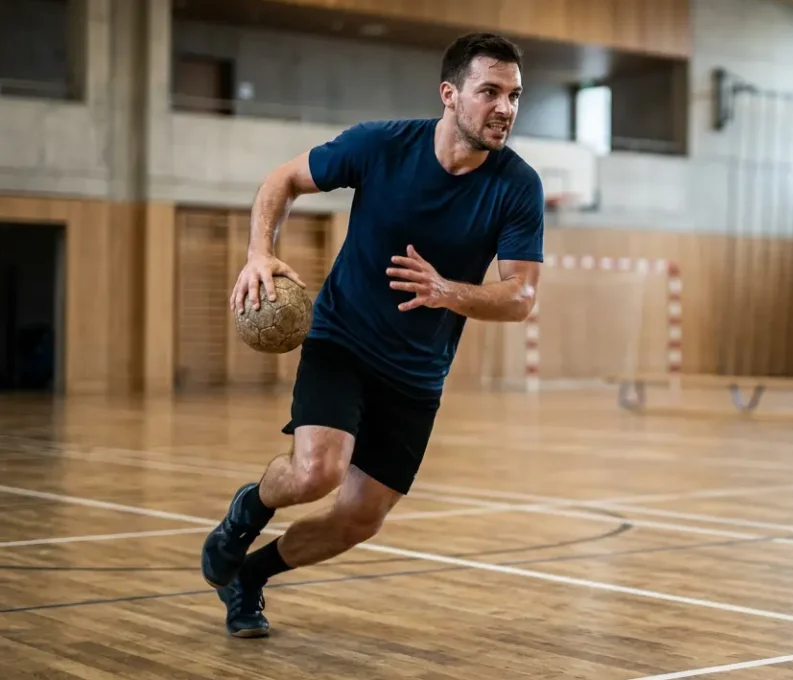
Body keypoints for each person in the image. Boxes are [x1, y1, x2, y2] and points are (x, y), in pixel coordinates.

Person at [200, 31, 544, 638]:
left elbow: (520, 296)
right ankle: (249, 509)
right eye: (490, 91)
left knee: (360, 518)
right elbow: (283, 179)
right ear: (450, 94)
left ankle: (250, 576)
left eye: (514, 95)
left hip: (417, 374)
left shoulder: (517, 186)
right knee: (316, 473)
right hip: (343, 340)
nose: (505, 108)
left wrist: (448, 292)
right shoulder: (381, 145)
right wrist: (259, 253)